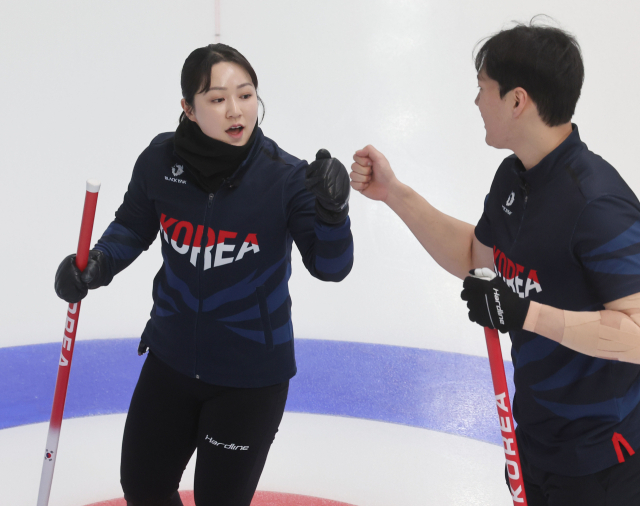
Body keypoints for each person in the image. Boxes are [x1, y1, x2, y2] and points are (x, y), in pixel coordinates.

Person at [350, 22, 640, 506]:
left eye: (483, 88)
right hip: (534, 441)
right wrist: (394, 194)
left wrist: (525, 314)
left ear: (517, 100)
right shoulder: (515, 179)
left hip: (602, 462)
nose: (478, 101)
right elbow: (475, 258)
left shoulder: (597, 203)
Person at [54, 43, 353, 506]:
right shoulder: (160, 161)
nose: (235, 110)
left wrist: (334, 214)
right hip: (170, 362)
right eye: (216, 99)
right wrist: (96, 264)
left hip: (249, 379)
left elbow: (331, 268)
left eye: (246, 94)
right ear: (188, 109)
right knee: (144, 487)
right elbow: (133, 226)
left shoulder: (286, 178)